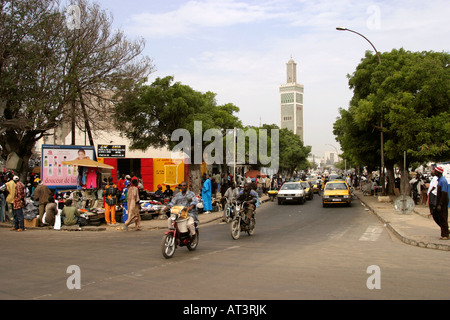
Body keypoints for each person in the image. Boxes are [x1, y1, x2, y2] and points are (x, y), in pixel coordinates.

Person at [434, 166, 449, 240]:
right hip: (439, 202)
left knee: (443, 218)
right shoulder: (439, 180)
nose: (434, 172)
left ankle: (445, 234)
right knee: (437, 216)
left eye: (435, 171)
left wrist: (440, 204)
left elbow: (444, 194)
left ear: (438, 172)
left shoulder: (443, 181)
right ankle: (445, 231)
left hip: (443, 202)